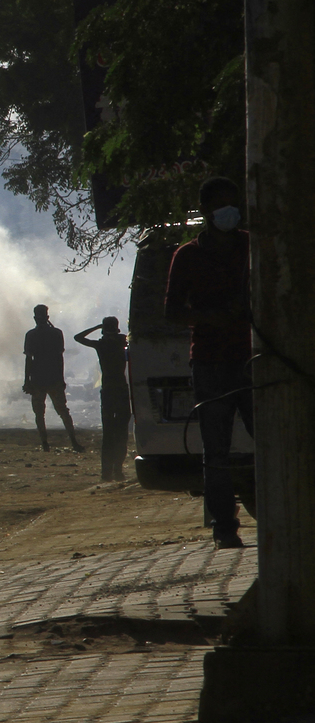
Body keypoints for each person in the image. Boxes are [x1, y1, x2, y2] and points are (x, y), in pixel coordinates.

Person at [165, 176, 253, 549]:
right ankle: (224, 528)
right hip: (211, 363)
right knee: (215, 451)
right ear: (205, 212)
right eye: (221, 206)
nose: (229, 212)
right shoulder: (187, 256)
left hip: (255, 360)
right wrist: (210, 316)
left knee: (275, 439)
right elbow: (172, 312)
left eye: (233, 204)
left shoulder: (252, 246)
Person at [75, 316, 131, 481]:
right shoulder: (122, 342)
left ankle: (107, 472)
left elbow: (78, 338)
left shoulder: (101, 344)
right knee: (121, 433)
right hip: (121, 390)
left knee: (109, 433)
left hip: (108, 391)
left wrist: (98, 327)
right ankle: (117, 470)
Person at [24, 304, 83, 452]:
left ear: (34, 318)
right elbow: (59, 358)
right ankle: (74, 442)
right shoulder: (56, 333)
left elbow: (29, 360)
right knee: (63, 411)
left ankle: (45, 444)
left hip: (38, 379)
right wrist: (61, 378)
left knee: (39, 413)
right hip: (54, 378)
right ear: (47, 317)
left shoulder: (31, 335)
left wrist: (27, 381)